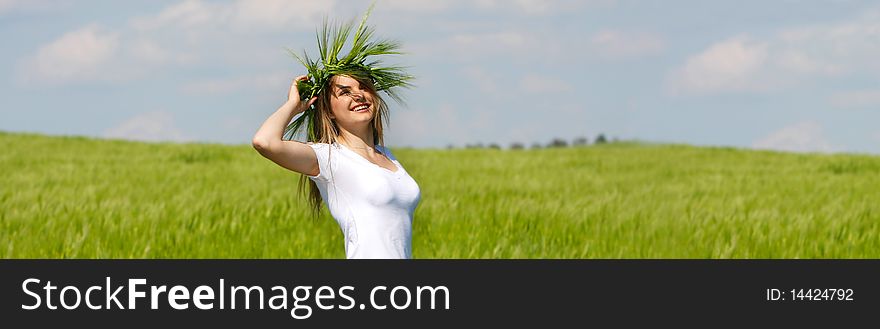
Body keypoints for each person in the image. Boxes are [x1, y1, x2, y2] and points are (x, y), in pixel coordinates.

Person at [251, 74, 421, 259]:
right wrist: (293, 105)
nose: (359, 95)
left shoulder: (388, 156)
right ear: (329, 110)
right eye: (345, 92)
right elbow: (264, 142)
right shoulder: (329, 157)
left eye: (363, 87)